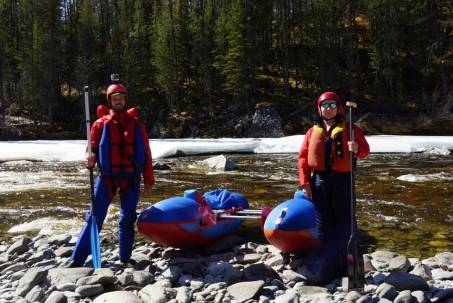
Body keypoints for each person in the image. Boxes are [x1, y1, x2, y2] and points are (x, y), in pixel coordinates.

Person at [68, 82, 155, 267]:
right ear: (109, 101)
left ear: (125, 100)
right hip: (107, 177)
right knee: (95, 216)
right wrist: (89, 158)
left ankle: (124, 258)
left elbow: (146, 153)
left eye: (121, 99)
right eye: (114, 99)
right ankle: (76, 260)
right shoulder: (100, 124)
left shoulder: (137, 124)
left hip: (131, 178)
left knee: (127, 218)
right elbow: (90, 148)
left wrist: (149, 180)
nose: (118, 102)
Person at [297, 91, 369, 283]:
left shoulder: (350, 128)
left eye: (331, 105)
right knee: (323, 226)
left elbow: (365, 151)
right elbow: (303, 158)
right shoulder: (312, 132)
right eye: (324, 105)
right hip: (319, 182)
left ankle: (348, 268)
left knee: (345, 224)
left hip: (343, 181)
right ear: (319, 109)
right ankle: (327, 266)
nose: (328, 108)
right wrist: (305, 183)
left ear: (339, 108)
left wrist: (357, 149)